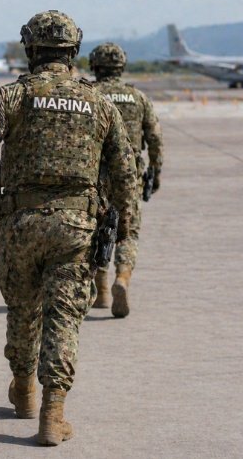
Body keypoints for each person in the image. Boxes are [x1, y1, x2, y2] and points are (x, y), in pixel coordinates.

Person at [0, 11, 137, 446]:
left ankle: (23, 389)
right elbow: (124, 175)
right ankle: (52, 412)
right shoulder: (99, 103)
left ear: (30, 49)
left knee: (23, 309)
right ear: (73, 51)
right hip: (76, 225)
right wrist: (124, 232)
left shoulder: (12, 96)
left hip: (21, 223)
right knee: (63, 316)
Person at [89, 42, 164, 317]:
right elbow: (155, 138)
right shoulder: (138, 97)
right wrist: (155, 172)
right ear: (122, 66)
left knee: (95, 229)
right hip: (130, 174)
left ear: (94, 66)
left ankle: (102, 292)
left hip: (96, 174)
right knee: (127, 232)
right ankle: (122, 278)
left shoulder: (89, 94)